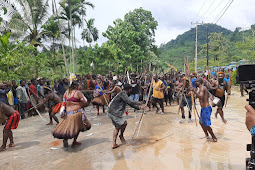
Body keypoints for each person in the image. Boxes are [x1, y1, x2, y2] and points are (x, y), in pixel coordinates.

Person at [53, 80, 91, 148]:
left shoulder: (66, 93)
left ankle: (66, 139)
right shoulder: (78, 92)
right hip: (76, 113)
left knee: (68, 127)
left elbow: (63, 103)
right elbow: (85, 103)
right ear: (76, 86)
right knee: (78, 127)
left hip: (68, 113)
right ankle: (74, 141)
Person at [107, 84, 145, 149]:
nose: (131, 90)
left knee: (117, 127)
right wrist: (138, 103)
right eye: (131, 89)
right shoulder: (122, 94)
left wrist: (140, 108)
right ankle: (121, 136)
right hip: (114, 112)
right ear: (129, 89)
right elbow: (130, 102)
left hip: (112, 112)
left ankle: (114, 143)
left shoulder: (124, 95)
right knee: (124, 123)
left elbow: (130, 104)